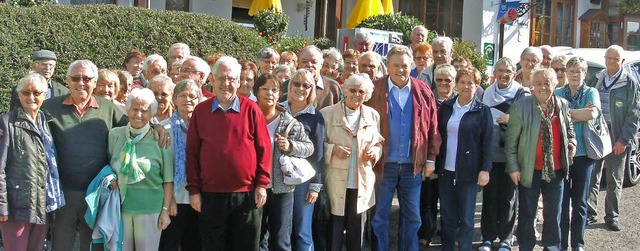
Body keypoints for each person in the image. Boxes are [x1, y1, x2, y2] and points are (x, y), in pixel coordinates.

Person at [42, 60, 169, 251]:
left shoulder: (108, 108)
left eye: (87, 78)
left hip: (97, 194)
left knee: (94, 246)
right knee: (61, 245)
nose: (81, 83)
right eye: (76, 78)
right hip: (63, 194)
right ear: (68, 81)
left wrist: (156, 126)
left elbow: (136, 122)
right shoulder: (49, 107)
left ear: (94, 82)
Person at [186, 56, 272, 250]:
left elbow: (264, 149)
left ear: (239, 81)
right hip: (210, 196)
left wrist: (261, 184)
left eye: (232, 79)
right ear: (212, 81)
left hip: (247, 195)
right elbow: (192, 153)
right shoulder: (200, 111)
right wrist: (194, 190)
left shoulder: (252, 110)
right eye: (221, 78)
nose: (226, 84)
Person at [365, 45, 441, 251]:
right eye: (396, 65)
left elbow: (433, 126)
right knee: (380, 215)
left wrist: (431, 158)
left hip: (412, 166)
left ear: (412, 66)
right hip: (383, 165)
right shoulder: (374, 90)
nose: (400, 69)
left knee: (413, 217)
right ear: (387, 66)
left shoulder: (423, 91)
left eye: (405, 66)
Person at [506, 68, 576, 251]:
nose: (543, 87)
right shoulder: (520, 106)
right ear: (531, 86)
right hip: (529, 170)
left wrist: (572, 143)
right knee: (528, 213)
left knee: (554, 214)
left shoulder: (563, 104)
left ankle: (552, 247)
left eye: (547, 83)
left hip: (556, 170)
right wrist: (513, 167)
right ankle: (526, 247)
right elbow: (511, 143)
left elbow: (569, 130)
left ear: (555, 85)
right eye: (538, 83)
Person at [0, 73, 65, 251]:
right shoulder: (6, 123)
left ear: (44, 94)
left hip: (43, 203)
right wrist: (2, 205)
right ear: (18, 94)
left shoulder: (46, 121)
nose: (31, 97)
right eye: (26, 92)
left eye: (36, 93)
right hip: (17, 205)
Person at [320, 73, 383, 251]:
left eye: (361, 91)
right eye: (352, 90)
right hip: (336, 182)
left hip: (361, 181)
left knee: (358, 232)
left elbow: (379, 142)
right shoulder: (327, 114)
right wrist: (333, 150)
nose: (356, 94)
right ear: (345, 91)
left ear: (367, 94)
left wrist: (375, 152)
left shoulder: (373, 115)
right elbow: (317, 147)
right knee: (335, 230)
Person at [108, 88, 173, 251]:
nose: (138, 114)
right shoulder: (115, 135)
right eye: (134, 109)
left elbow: (168, 180)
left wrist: (165, 211)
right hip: (120, 208)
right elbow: (107, 164)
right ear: (127, 110)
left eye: (144, 110)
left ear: (151, 113)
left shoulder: (160, 139)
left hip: (150, 210)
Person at [437, 67, 493, 251]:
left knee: (467, 219)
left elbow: (487, 142)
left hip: (469, 173)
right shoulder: (446, 107)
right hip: (446, 171)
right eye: (463, 82)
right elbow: (437, 136)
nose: (466, 86)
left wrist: (485, 169)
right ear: (456, 84)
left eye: (471, 83)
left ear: (477, 86)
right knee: (447, 217)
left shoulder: (482, 111)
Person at [255, 73, 314, 251]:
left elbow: (309, 148)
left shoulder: (289, 122)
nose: (269, 94)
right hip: (254, 187)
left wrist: (290, 146)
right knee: (257, 239)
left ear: (280, 93)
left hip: (281, 189)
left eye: (274, 90)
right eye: (264, 89)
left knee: (281, 240)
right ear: (256, 92)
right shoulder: (248, 118)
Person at [588, 45, 640, 232]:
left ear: (622, 61)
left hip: (616, 134)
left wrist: (624, 140)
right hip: (597, 133)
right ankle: (590, 213)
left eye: (615, 59)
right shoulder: (598, 78)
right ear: (605, 59)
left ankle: (612, 217)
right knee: (593, 176)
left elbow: (634, 115)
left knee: (614, 178)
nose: (611, 62)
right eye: (609, 58)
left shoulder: (630, 82)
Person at [479, 57, 526, 251]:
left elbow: (526, 120)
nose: (504, 74)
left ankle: (506, 239)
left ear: (514, 75)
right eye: (500, 70)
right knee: (489, 196)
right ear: (494, 73)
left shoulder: (521, 93)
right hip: (490, 153)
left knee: (508, 198)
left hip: (511, 154)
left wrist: (511, 118)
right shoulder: (486, 93)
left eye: (508, 71)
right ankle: (487, 238)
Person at [555, 56, 600, 251]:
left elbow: (592, 114)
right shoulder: (557, 91)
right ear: (566, 73)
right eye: (571, 71)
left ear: (585, 73)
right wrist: (578, 113)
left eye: (579, 71)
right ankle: (562, 244)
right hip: (561, 154)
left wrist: (566, 112)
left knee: (580, 203)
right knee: (562, 203)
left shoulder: (591, 92)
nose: (575, 74)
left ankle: (578, 245)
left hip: (584, 155)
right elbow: (553, 114)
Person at [281, 69, 325, 251]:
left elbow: (319, 154)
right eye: (296, 84)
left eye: (306, 85)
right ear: (290, 85)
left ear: (312, 89)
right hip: (278, 178)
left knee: (302, 232)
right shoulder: (278, 108)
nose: (301, 88)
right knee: (280, 230)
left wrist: (315, 186)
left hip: (303, 182)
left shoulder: (316, 116)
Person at [159, 79, 203, 251]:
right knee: (169, 244)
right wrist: (169, 200)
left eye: (193, 96)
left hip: (199, 198)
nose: (188, 99)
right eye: (182, 95)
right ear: (174, 99)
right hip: (174, 201)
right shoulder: (164, 128)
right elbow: (162, 168)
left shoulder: (204, 128)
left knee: (195, 244)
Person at [417, 64, 456, 248]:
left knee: (450, 200)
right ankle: (427, 233)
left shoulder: (459, 101)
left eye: (447, 80)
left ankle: (449, 234)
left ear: (454, 82)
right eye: (439, 80)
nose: (443, 83)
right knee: (428, 198)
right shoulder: (427, 98)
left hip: (452, 159)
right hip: (431, 156)